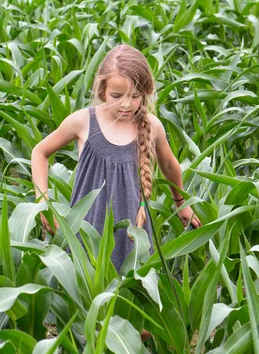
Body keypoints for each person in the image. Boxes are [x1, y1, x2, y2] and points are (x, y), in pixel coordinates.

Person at [31, 44, 202, 272]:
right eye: (116, 95)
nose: (125, 104)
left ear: (145, 93)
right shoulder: (83, 122)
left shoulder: (152, 126)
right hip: (87, 232)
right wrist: (42, 202)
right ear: (102, 91)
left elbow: (170, 165)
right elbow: (40, 153)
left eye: (135, 96)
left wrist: (180, 202)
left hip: (132, 236)